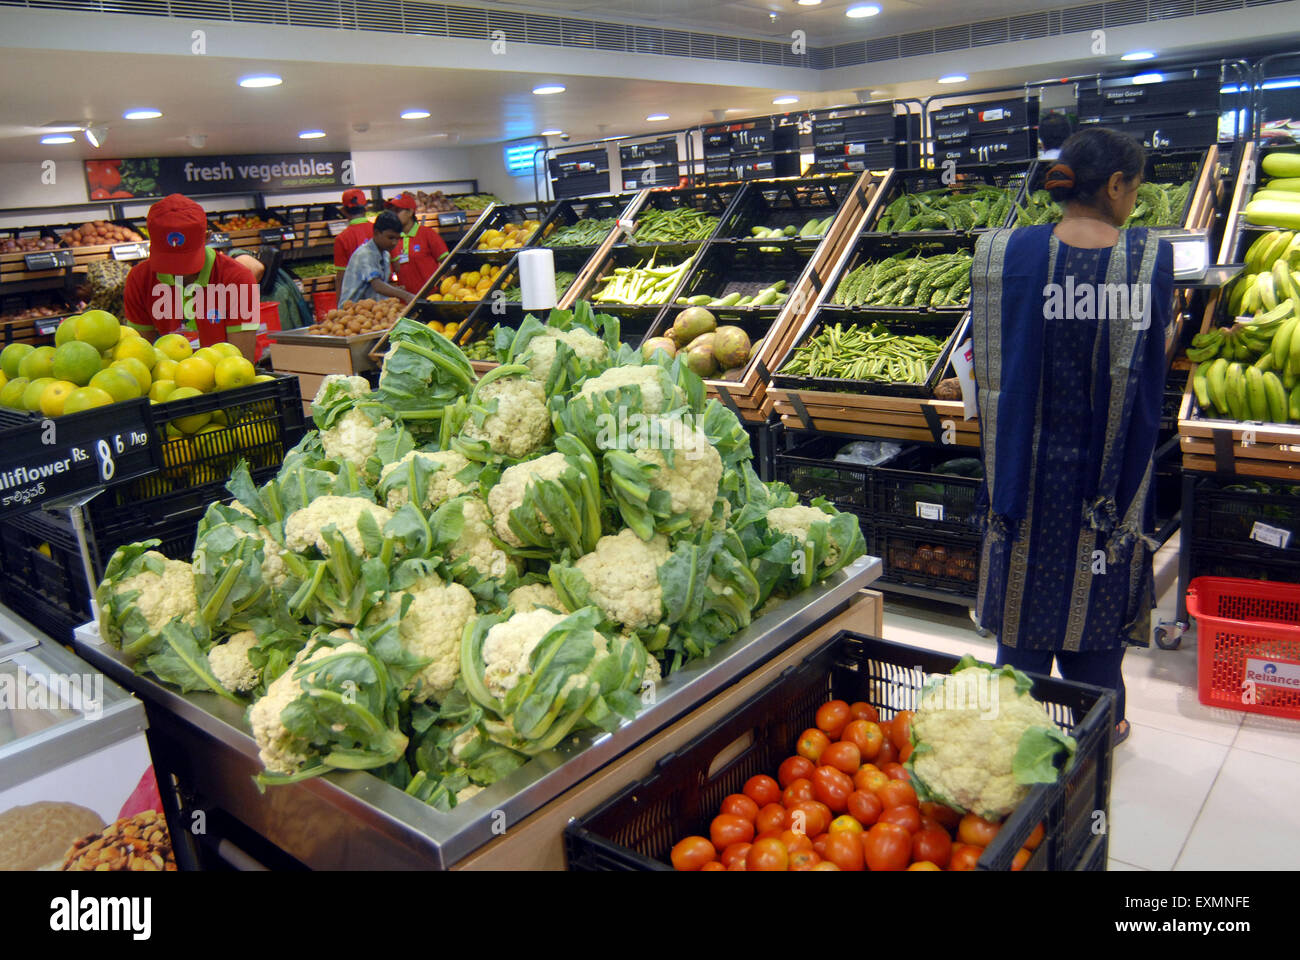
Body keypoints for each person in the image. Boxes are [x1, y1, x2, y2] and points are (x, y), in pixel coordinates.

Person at [970, 128, 1174, 747]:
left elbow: (990, 359)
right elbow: (1145, 366)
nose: (1134, 200)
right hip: (1102, 480)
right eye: (1134, 187)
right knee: (1095, 606)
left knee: (1023, 610)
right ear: (1115, 185)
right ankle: (1096, 730)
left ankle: (1014, 734)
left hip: (1021, 478)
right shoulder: (1146, 258)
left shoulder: (1003, 252)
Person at [123, 193, 259, 360]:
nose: (178, 270)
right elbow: (138, 355)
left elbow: (242, 362)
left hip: (224, 377)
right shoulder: (140, 279)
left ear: (208, 237)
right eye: (168, 260)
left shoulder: (237, 279)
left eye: (186, 260)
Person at [337, 210, 414, 305]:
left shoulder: (385, 255)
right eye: (390, 238)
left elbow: (374, 288)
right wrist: (405, 295)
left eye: (397, 239)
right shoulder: (365, 254)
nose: (394, 242)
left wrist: (395, 290)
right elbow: (377, 285)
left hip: (370, 310)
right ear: (377, 233)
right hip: (353, 311)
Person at [385, 192, 448, 295]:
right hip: (405, 301)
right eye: (392, 212)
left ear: (410, 212)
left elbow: (446, 263)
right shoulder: (392, 240)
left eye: (397, 211)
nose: (394, 215)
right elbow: (390, 275)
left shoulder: (427, 234)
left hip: (431, 297)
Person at [332, 188, 373, 269]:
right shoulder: (379, 230)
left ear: (343, 211)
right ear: (367, 207)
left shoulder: (341, 239)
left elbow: (342, 273)